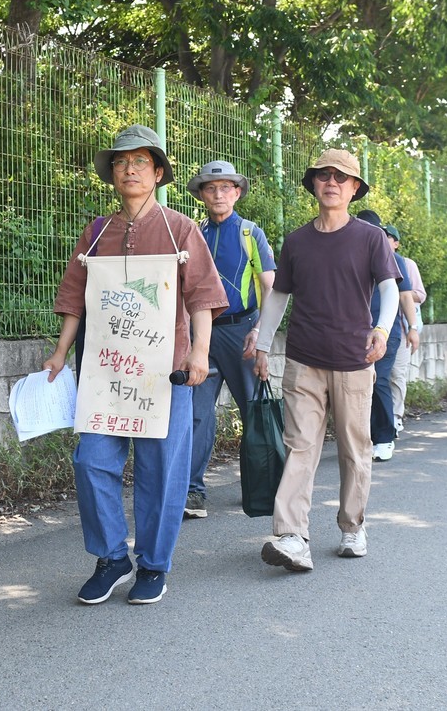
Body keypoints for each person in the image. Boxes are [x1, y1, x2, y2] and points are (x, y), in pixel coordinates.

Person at [42, 125, 227, 605]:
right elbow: (75, 298)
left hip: (167, 373)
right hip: (105, 372)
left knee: (161, 470)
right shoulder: (97, 231)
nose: (130, 169)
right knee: (91, 460)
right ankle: (110, 558)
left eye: (141, 161)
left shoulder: (180, 229)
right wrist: (61, 352)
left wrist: (200, 351)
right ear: (112, 174)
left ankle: (153, 565)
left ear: (158, 172)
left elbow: (202, 297)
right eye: (122, 162)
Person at [252, 149, 398, 571]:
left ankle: (353, 526)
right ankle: (292, 536)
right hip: (303, 360)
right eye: (323, 175)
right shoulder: (297, 241)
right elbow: (279, 294)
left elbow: (389, 289)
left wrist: (383, 330)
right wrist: (263, 345)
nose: (331, 182)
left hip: (355, 359)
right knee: (299, 447)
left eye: (341, 177)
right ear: (313, 184)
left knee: (356, 448)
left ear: (354, 188)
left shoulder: (370, 238)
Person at [183, 160, 276, 519]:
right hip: (202, 335)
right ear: (202, 195)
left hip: (243, 333)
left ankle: (262, 486)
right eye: (211, 188)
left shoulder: (251, 233)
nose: (219, 194)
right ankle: (193, 493)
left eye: (226, 187)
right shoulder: (193, 233)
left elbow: (270, 286)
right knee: (196, 414)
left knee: (255, 410)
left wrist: (260, 332)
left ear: (237, 193)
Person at [354, 211, 417, 462]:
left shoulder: (393, 257)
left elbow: (404, 296)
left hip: (385, 330)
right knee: (356, 384)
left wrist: (413, 327)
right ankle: (364, 437)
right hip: (352, 330)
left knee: (378, 380)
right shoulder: (348, 253)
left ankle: (384, 438)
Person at [382, 224, 424, 438]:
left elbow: (419, 294)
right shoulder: (369, 258)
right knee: (378, 377)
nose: (384, 239)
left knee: (397, 374)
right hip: (378, 328)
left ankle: (397, 417)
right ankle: (381, 420)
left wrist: (397, 291)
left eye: (388, 237)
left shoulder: (406, 264)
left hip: (402, 327)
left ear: (396, 243)